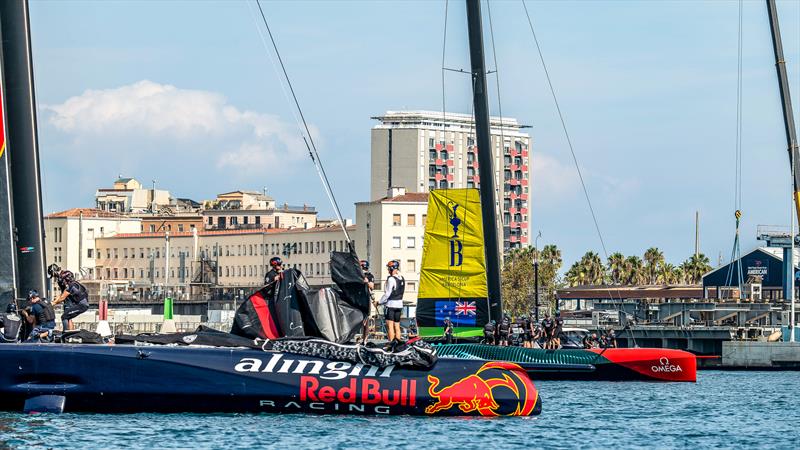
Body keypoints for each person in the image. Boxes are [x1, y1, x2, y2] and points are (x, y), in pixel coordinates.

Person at [378, 260, 404, 348]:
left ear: (392, 268)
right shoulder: (402, 278)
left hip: (391, 305)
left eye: (389, 268)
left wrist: (379, 302)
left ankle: (391, 344)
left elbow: (387, 294)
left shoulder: (391, 279)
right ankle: (398, 345)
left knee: (390, 326)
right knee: (397, 326)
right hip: (400, 305)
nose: (388, 270)